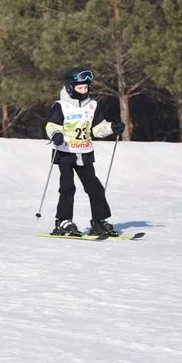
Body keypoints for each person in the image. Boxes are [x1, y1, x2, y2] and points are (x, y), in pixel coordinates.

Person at [44, 67, 125, 236]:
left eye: (86, 88)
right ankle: (63, 221)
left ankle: (99, 221)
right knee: (67, 187)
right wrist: (56, 135)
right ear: (70, 87)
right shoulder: (61, 106)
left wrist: (112, 127)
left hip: (85, 152)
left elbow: (97, 129)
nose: (83, 91)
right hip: (65, 152)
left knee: (95, 188)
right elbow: (51, 125)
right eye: (80, 88)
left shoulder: (92, 106)